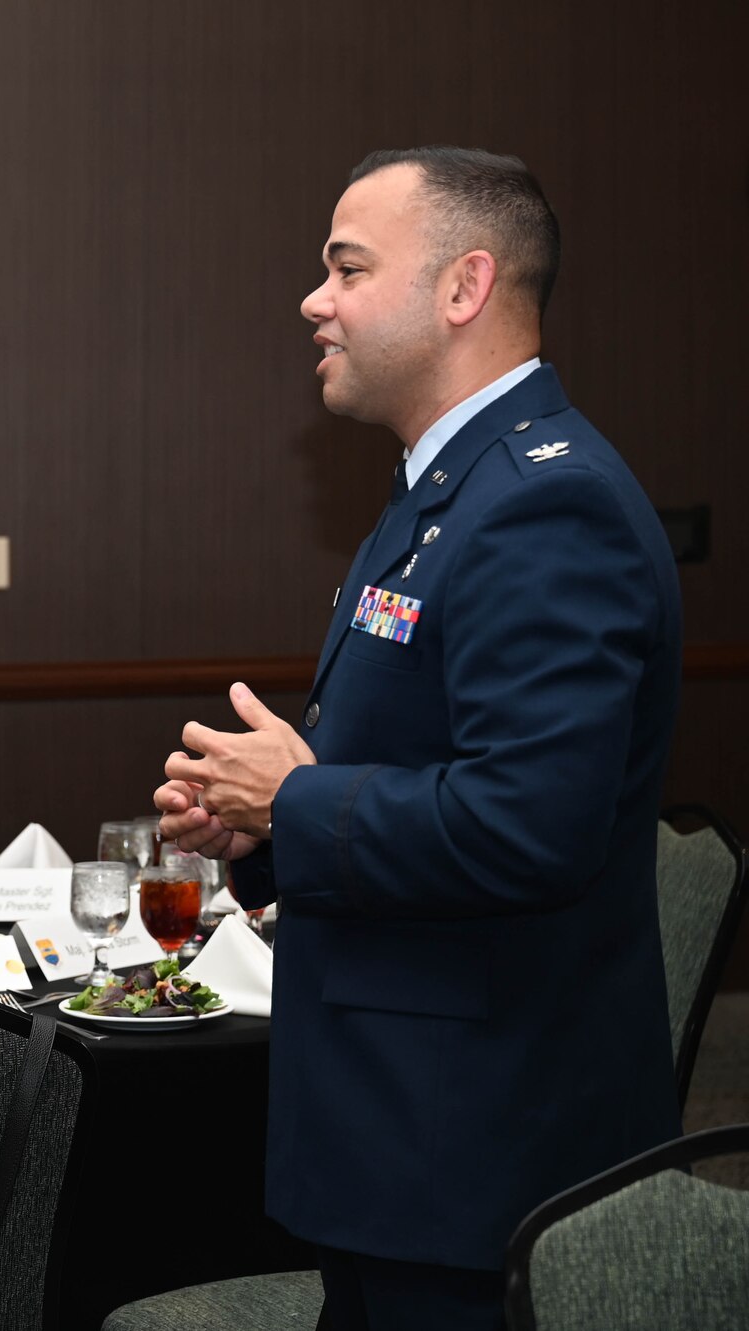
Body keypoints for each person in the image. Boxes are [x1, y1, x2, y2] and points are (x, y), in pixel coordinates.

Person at [153, 147, 681, 1330]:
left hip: (480, 1150)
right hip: (407, 1138)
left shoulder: (546, 501)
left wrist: (292, 799)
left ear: (462, 287)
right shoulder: (443, 486)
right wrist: (259, 821)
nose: (312, 299)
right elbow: (422, 766)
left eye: (345, 268)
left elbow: (525, 824)